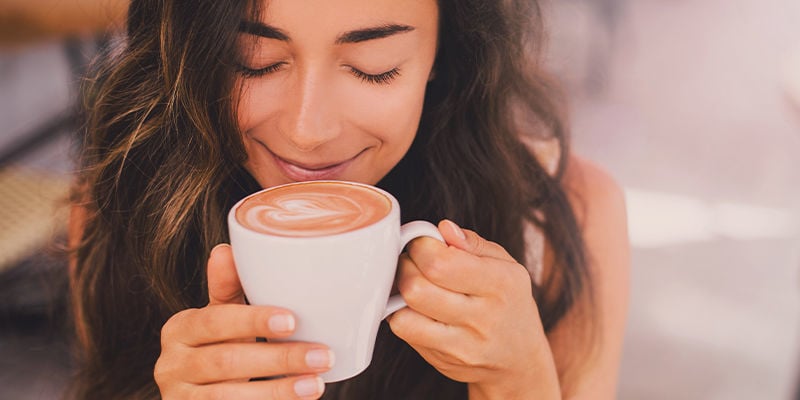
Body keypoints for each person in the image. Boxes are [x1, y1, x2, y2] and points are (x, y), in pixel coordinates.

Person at [68, 0, 630, 399]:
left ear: (444, 53)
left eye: (373, 68)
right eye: (253, 60)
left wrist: (518, 381)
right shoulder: (123, 201)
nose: (309, 130)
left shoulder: (567, 216)